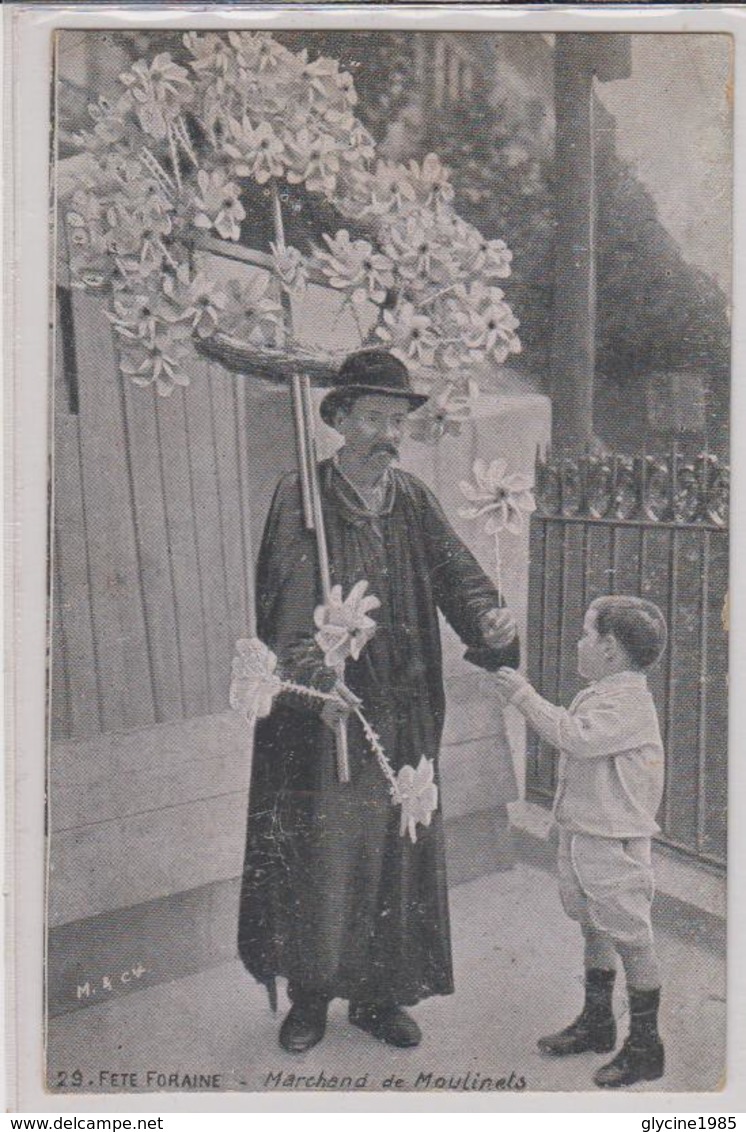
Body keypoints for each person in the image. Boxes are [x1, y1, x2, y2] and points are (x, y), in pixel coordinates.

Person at [237, 348, 519, 1053]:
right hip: (328, 716)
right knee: (326, 855)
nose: (385, 434)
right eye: (371, 417)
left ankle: (380, 993)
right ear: (337, 419)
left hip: (404, 709)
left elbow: (459, 575)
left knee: (397, 853)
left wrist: (487, 617)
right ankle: (310, 997)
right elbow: (282, 611)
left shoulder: (412, 499)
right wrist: (312, 683)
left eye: (396, 420)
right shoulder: (302, 495)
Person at [494, 595, 668, 1089]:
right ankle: (597, 1023)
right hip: (585, 835)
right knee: (593, 927)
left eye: (586, 634)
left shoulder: (629, 702)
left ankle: (645, 1047)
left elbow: (576, 738)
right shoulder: (604, 690)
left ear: (610, 649)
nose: (578, 642)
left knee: (631, 939)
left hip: (613, 843)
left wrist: (523, 696)